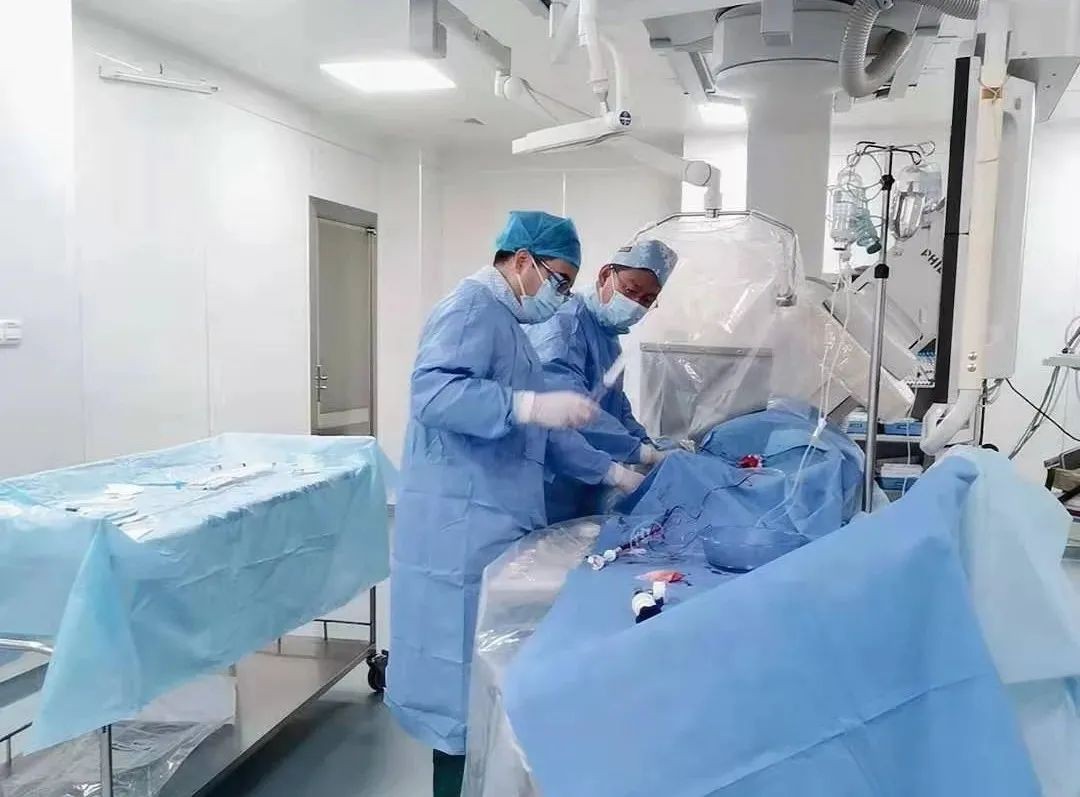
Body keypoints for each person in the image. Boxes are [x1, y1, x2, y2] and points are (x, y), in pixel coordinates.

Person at [387, 211, 644, 797]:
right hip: (457, 530)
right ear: (522, 260)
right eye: (560, 280)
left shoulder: (510, 327)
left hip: (490, 524)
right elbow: (434, 393)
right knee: (456, 690)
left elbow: (545, 432)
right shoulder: (471, 307)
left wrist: (612, 470)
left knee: (480, 687)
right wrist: (524, 405)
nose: (562, 295)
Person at [527, 237, 679, 523]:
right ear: (605, 274)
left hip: (582, 477)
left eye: (647, 300)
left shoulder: (607, 335)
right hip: (550, 479)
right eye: (631, 291)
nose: (636, 305)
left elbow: (615, 405)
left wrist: (647, 446)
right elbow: (573, 409)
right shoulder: (564, 325)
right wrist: (638, 453)